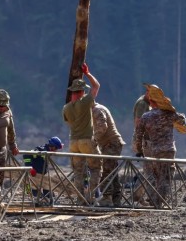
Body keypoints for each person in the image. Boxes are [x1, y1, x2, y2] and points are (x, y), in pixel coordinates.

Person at [131, 84, 186, 208]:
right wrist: (173, 110)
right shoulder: (169, 115)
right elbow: (182, 121)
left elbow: (138, 135)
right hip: (169, 150)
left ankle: (154, 201)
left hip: (153, 150)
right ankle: (160, 202)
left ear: (151, 103)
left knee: (151, 175)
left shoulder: (146, 116)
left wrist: (139, 150)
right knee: (166, 176)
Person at [62, 63, 100, 204]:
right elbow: (96, 86)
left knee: (78, 172)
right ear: (82, 91)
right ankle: (90, 197)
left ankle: (80, 199)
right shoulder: (85, 102)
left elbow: (69, 123)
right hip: (86, 140)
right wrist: (88, 73)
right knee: (95, 168)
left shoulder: (66, 108)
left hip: (73, 142)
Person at [92, 102, 126, 206]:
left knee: (106, 170)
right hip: (110, 143)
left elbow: (102, 127)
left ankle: (106, 198)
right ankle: (116, 199)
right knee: (112, 172)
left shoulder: (97, 110)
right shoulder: (97, 109)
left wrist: (93, 139)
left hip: (111, 143)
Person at [24, 137, 64, 206]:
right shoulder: (41, 150)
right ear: (52, 146)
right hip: (34, 175)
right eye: (56, 148)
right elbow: (26, 155)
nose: (56, 151)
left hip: (42, 175)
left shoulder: (47, 152)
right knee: (33, 194)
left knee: (48, 191)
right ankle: (34, 204)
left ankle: (48, 202)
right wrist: (30, 168)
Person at [132, 85, 151, 156]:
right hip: (142, 138)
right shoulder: (142, 103)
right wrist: (139, 141)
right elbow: (138, 122)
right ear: (147, 93)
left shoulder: (148, 103)